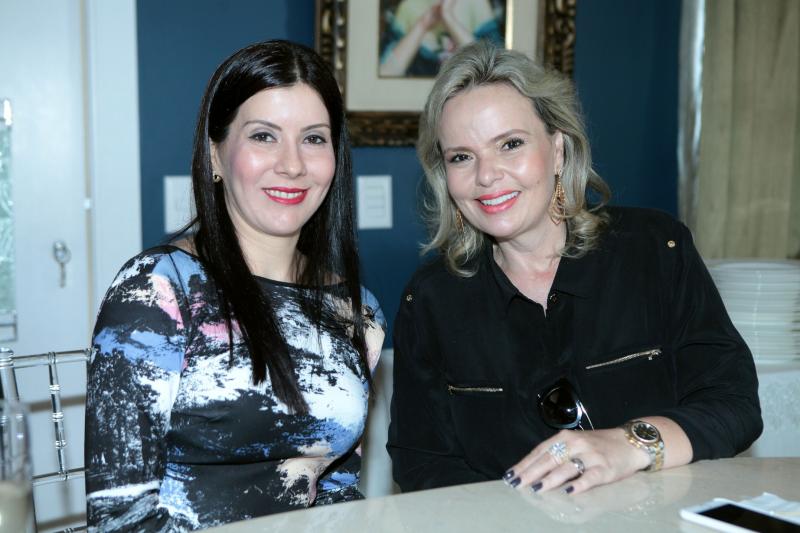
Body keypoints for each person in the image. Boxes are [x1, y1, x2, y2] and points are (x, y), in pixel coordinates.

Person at [387, 40, 761, 495]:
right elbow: (422, 464)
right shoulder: (431, 300)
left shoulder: (654, 250)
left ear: (558, 150)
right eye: (461, 156)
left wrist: (631, 443)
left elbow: (733, 403)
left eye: (510, 144)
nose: (486, 175)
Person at [84, 40, 386, 531]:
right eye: (264, 136)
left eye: (313, 138)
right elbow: (120, 518)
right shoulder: (158, 290)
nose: (292, 164)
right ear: (215, 155)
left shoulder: (357, 311)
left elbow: (339, 492)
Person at [379, 0, 502, 77]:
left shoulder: (476, 3)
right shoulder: (409, 6)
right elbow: (385, 74)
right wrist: (422, 25)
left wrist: (448, 17)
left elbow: (496, 69)